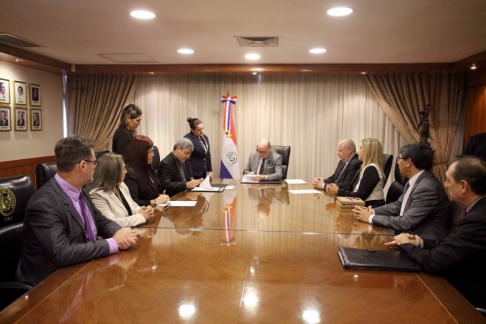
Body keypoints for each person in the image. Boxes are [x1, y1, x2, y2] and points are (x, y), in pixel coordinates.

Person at [17, 135, 138, 286]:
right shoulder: (44, 204)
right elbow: (63, 252)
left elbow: (99, 220)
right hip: (51, 285)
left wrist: (119, 232)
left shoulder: (81, 191)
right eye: (94, 163)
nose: (95, 167)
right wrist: (113, 243)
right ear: (82, 165)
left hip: (83, 271)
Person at [385, 157, 486, 309]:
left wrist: (406, 244)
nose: (445, 185)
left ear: (463, 186)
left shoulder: (479, 218)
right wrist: (420, 242)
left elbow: (435, 262)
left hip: (464, 298)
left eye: (448, 181)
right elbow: (453, 245)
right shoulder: (474, 208)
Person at [353, 142, 451, 241]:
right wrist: (372, 211)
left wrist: (371, 218)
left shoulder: (427, 188)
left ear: (408, 162)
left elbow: (406, 222)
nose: (397, 162)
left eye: (399, 159)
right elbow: (399, 205)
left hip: (420, 242)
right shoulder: (415, 180)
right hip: (404, 234)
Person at [87, 153, 154, 228]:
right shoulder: (97, 195)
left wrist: (143, 210)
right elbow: (111, 223)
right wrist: (141, 217)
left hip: (131, 232)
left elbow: (133, 206)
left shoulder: (122, 186)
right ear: (113, 172)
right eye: (123, 169)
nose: (126, 172)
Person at [327, 138, 386, 208]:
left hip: (370, 208)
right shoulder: (366, 167)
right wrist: (336, 189)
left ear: (368, 151)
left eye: (360, 148)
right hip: (362, 205)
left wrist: (338, 191)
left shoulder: (371, 169)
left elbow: (360, 196)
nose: (358, 151)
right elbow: (352, 188)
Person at [124, 135, 169, 207]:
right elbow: (133, 202)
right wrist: (155, 201)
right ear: (139, 154)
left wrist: (161, 196)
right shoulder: (129, 173)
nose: (153, 155)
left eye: (152, 151)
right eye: (149, 152)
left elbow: (155, 191)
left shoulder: (148, 168)